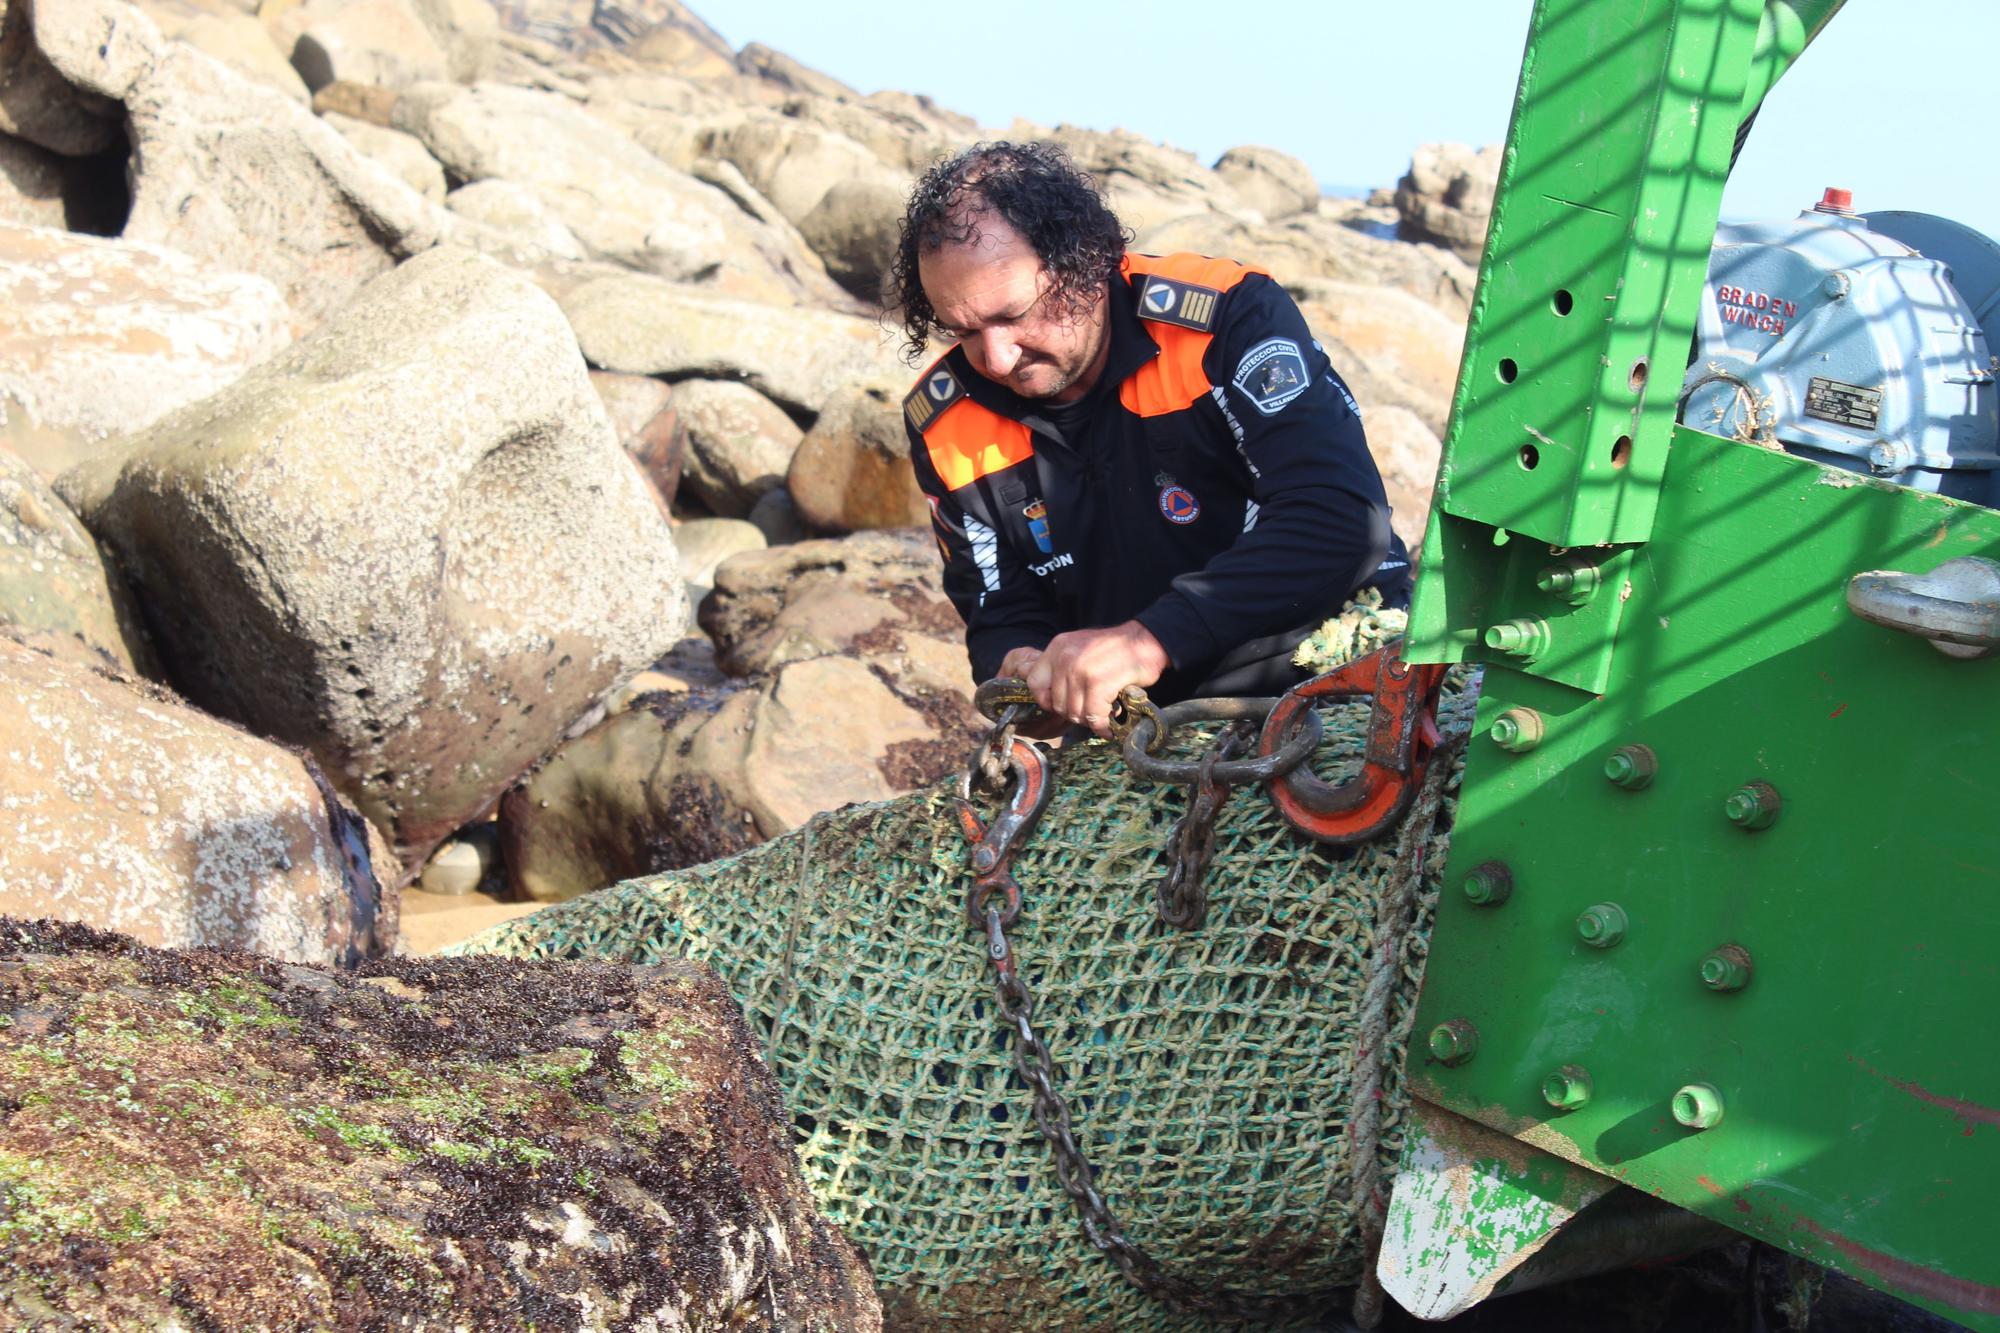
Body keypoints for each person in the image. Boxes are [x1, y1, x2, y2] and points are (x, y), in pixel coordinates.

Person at [890, 141, 1410, 735]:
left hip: (1330, 662)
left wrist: (1148, 641)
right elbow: (997, 610)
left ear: (1086, 264)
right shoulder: (943, 421)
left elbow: (1341, 518)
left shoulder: (1223, 319)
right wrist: (1025, 667)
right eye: (962, 330)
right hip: (1147, 724)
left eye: (1013, 315)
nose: (998, 358)